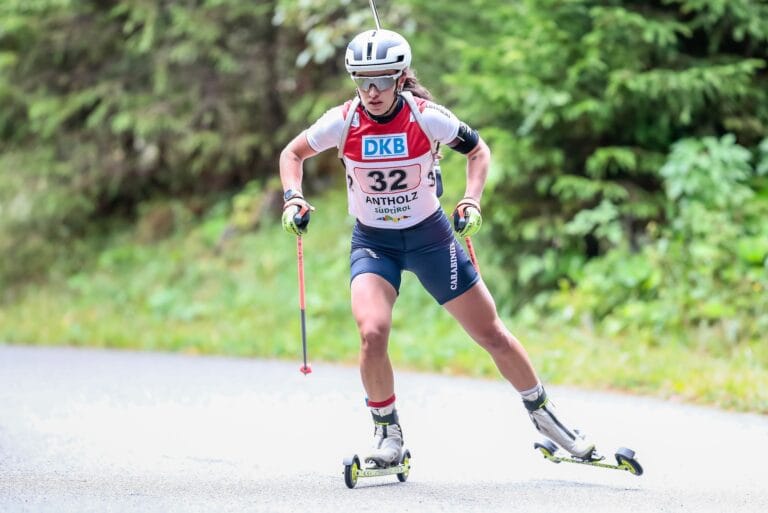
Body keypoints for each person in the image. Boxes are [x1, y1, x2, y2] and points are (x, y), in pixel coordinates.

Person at [279, 29, 597, 467]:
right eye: (362, 81)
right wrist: (292, 196)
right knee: (372, 332)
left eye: (383, 81)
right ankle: (388, 434)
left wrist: (471, 199)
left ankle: (546, 417)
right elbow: (291, 155)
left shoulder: (428, 117)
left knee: (491, 333)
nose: (372, 92)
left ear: (401, 77)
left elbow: (478, 150)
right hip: (374, 242)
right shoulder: (344, 120)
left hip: (431, 239)